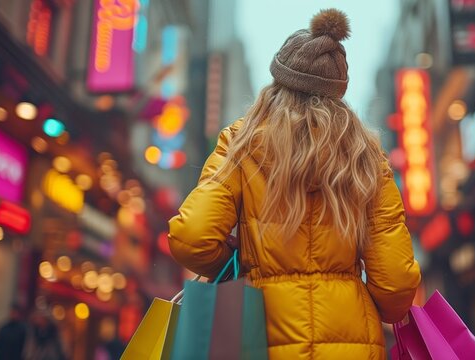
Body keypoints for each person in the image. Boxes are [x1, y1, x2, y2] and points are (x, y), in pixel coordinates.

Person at [168, 8, 421, 359]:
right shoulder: (367, 157)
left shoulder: (240, 144)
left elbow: (191, 237)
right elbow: (396, 285)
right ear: (337, 92)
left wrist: (242, 262)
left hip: (258, 337)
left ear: (277, 83)